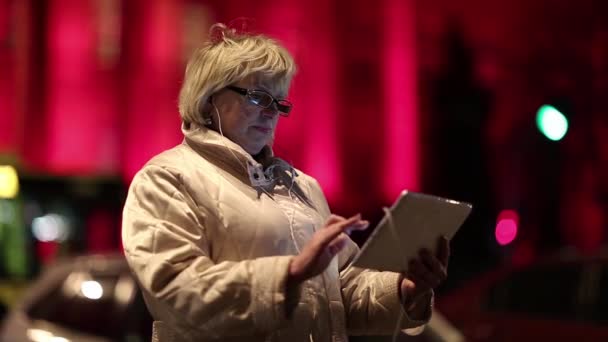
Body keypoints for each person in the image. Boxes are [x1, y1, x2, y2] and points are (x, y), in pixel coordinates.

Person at [122, 23, 450, 342]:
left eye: (279, 102)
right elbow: (176, 291)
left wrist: (406, 290)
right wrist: (290, 273)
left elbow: (337, 294)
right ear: (209, 98)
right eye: (258, 97)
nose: (271, 113)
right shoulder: (166, 178)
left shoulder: (302, 187)